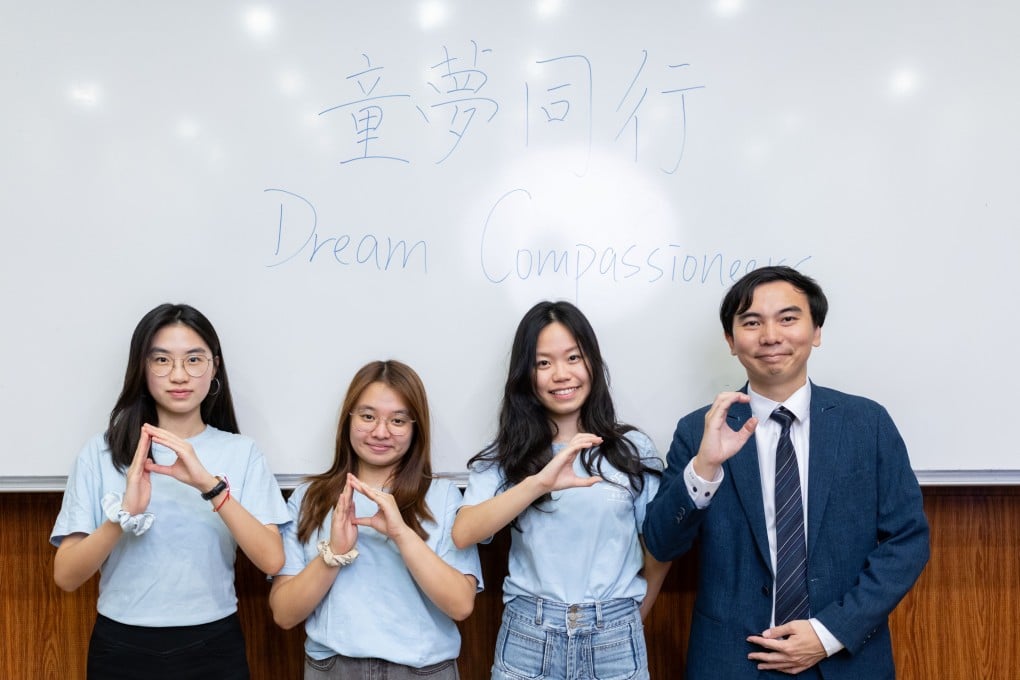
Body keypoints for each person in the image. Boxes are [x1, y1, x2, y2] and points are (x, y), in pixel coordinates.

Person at [643, 266, 930, 679]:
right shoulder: (699, 429)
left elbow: (907, 540)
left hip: (843, 658)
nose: (771, 336)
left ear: (816, 331)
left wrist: (828, 633)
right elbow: (661, 543)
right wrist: (705, 468)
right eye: (752, 322)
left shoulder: (867, 423)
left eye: (788, 319)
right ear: (731, 340)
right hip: (733, 663)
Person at [50, 303, 289, 680]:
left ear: (214, 367)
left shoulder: (241, 452)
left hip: (213, 644)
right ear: (141, 369)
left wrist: (210, 488)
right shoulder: (102, 452)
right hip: (121, 645)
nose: (179, 375)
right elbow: (66, 576)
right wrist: (123, 517)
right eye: (161, 360)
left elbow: (273, 560)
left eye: (194, 359)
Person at [452, 300, 670, 680]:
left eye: (573, 357)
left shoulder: (630, 449)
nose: (561, 374)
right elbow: (465, 531)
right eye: (543, 363)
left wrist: (628, 620)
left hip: (614, 635)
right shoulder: (508, 455)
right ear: (527, 375)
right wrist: (539, 483)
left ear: (592, 364)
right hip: (529, 635)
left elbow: (657, 550)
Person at [269, 360, 481, 679]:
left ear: (415, 428)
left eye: (397, 420)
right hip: (333, 668)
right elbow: (284, 614)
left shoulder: (444, 496)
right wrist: (334, 554)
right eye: (368, 416)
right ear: (348, 420)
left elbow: (461, 605)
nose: (380, 432)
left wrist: (401, 534)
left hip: (424, 670)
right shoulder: (308, 498)